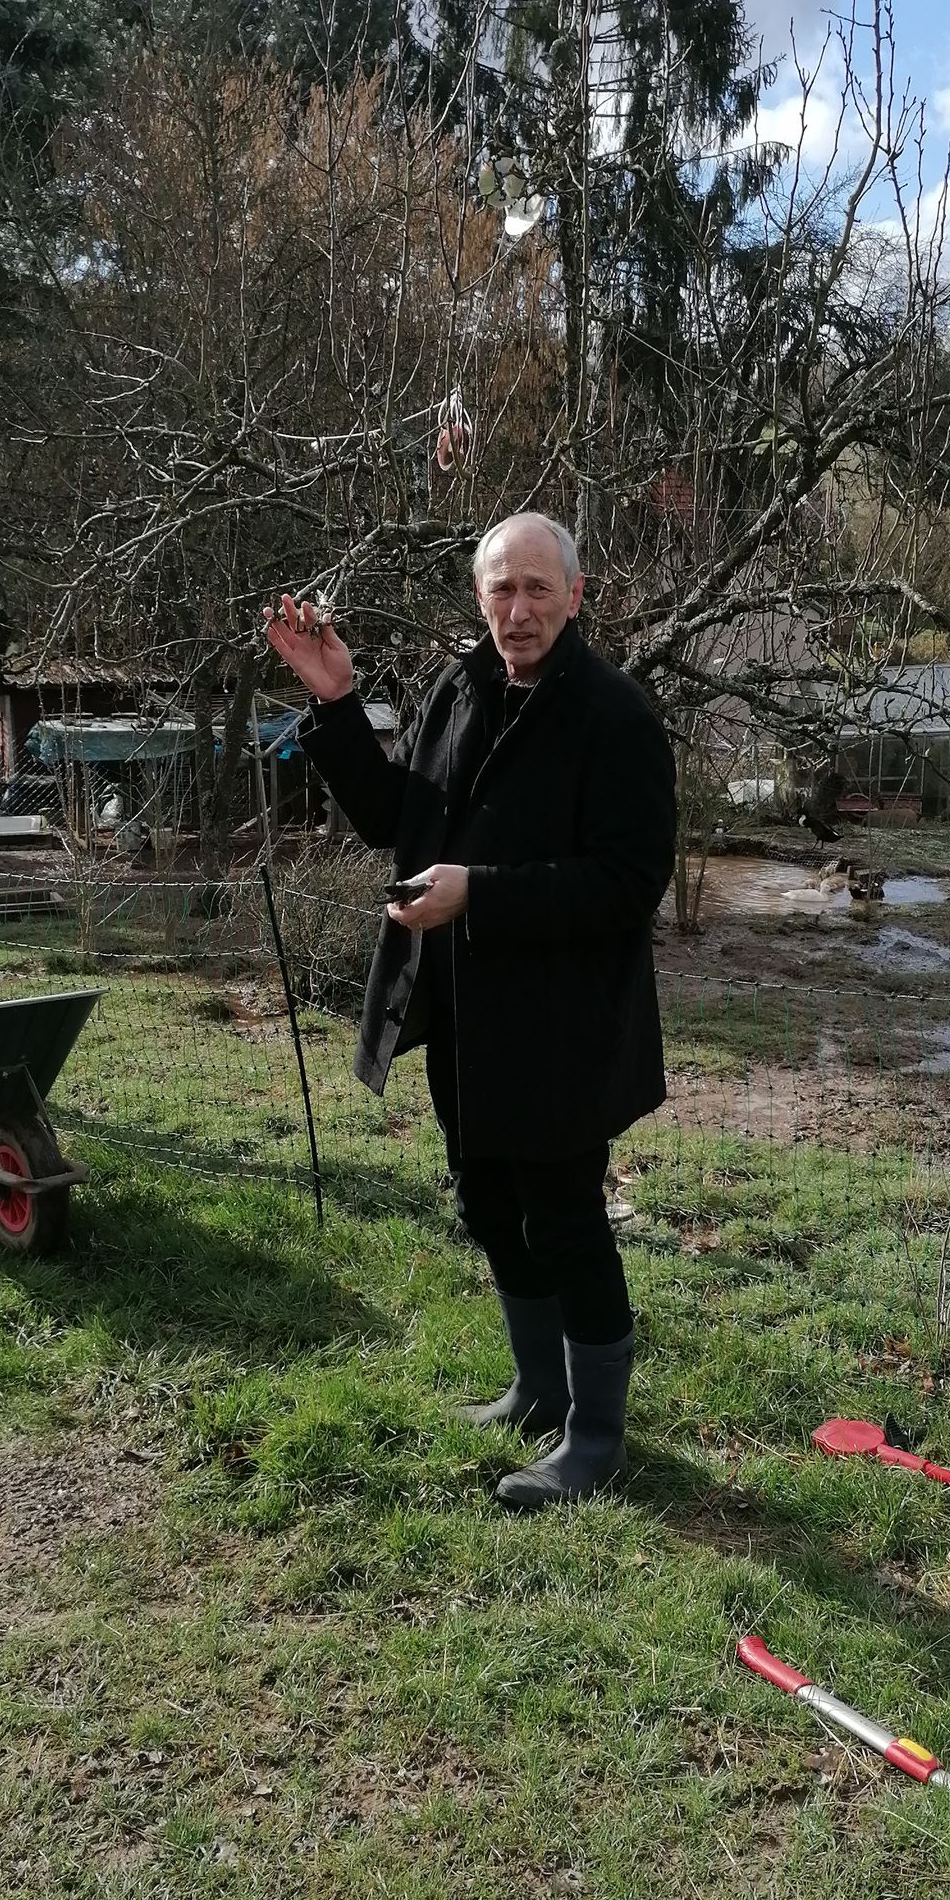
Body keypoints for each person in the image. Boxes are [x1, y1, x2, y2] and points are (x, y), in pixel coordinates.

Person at [265, 513, 675, 1509]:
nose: (519, 610)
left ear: (576, 595)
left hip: (565, 1027)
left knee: (565, 1220)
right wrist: (337, 703)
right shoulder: (459, 687)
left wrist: (477, 894)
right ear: (480, 596)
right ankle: (539, 1390)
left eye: (538, 589)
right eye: (502, 589)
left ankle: (595, 1435)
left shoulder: (615, 715)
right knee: (487, 1203)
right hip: (464, 1013)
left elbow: (629, 883)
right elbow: (392, 818)